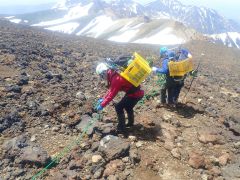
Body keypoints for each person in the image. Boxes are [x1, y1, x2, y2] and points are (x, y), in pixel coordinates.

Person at [95, 62, 144, 133]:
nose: (102, 78)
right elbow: (111, 90)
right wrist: (103, 99)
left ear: (104, 72)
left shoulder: (115, 78)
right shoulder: (112, 73)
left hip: (135, 95)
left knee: (118, 107)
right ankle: (130, 123)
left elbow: (111, 95)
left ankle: (121, 128)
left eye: (101, 76)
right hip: (134, 93)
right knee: (128, 107)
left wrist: (102, 105)